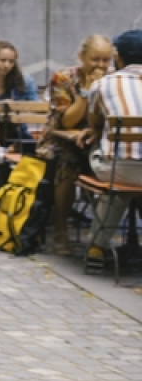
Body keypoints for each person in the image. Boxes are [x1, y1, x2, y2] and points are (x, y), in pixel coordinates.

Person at [37, 34, 116, 255]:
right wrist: (86, 92)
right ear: (82, 57)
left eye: (105, 60)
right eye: (95, 59)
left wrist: (95, 131)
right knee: (68, 162)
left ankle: (102, 234)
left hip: (96, 140)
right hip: (61, 141)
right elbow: (66, 121)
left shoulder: (113, 79)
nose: (101, 65)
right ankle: (61, 229)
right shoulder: (63, 79)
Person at [80, 29, 142, 270]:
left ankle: (98, 245)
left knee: (116, 182)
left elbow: (94, 124)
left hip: (118, 170)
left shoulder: (102, 84)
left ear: (119, 57)